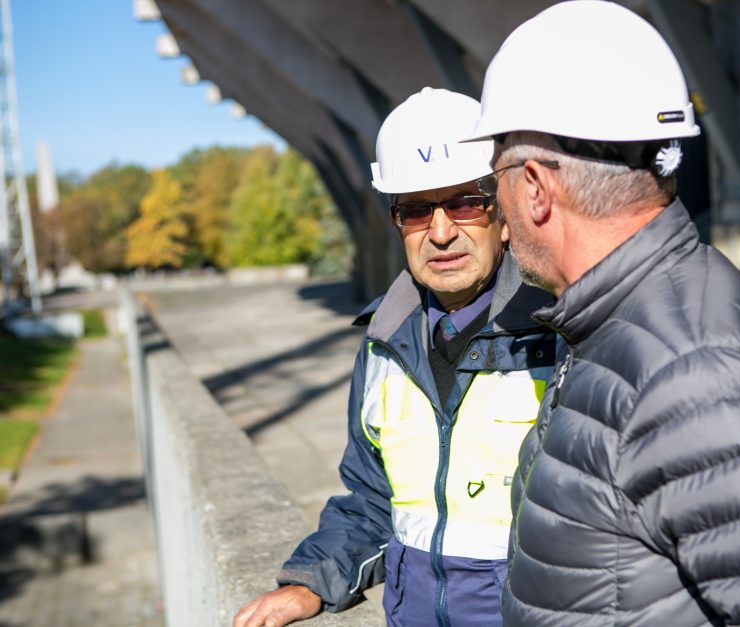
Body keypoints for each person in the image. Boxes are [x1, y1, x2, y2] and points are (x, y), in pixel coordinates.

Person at [464, 2, 740, 625]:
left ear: (535, 186)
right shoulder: (621, 321)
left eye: (495, 175)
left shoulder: (695, 373)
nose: (494, 204)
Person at [233, 87, 556, 627]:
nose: (442, 231)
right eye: (415, 210)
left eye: (465, 202)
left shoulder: (556, 334)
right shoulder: (385, 343)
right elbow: (372, 501)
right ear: (396, 223)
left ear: (503, 214)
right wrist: (312, 582)